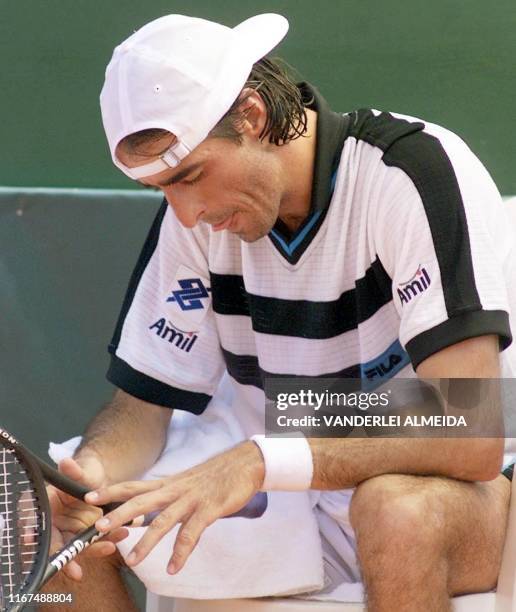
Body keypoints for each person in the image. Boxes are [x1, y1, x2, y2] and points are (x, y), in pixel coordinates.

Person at [43, 12, 516, 612]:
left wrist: (269, 451)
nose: (186, 215)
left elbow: (472, 426)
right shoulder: (193, 220)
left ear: (253, 117)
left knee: (396, 510)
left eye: (190, 177)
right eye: (163, 191)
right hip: (287, 484)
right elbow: (140, 408)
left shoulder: (412, 174)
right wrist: (91, 472)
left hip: (461, 496)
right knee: (57, 527)